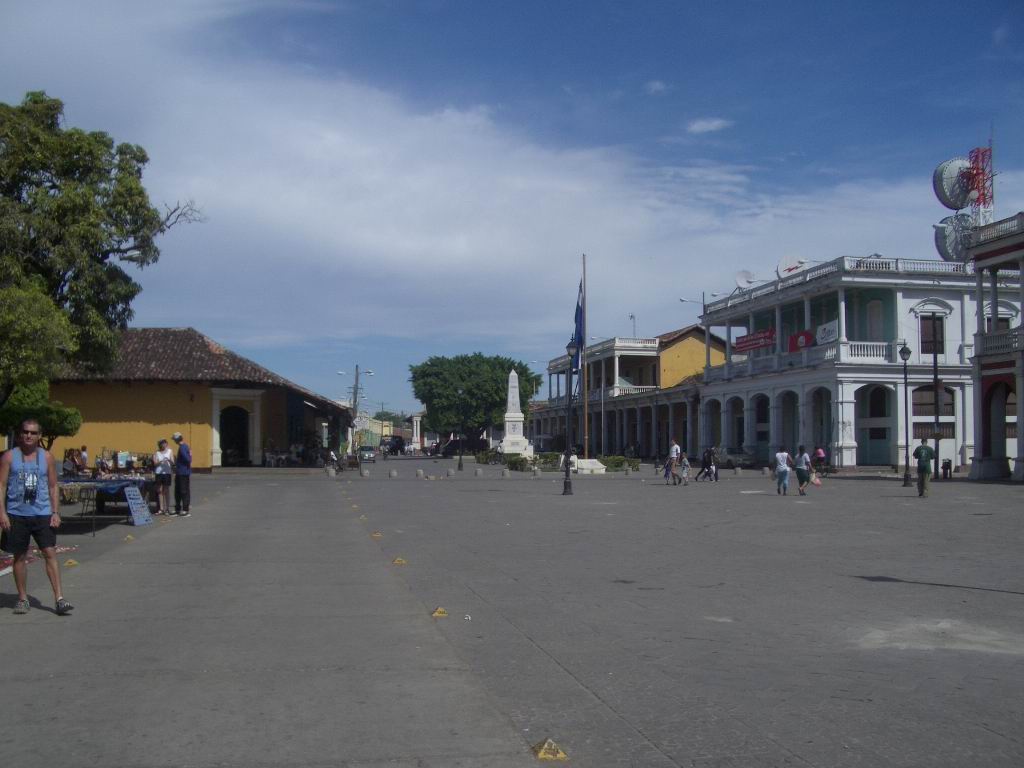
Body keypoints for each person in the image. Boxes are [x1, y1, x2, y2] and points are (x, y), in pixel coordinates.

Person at [0, 418, 73, 616]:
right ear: (20, 433)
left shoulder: (47, 457)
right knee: (19, 556)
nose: (28, 436)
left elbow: (52, 485)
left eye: (33, 432)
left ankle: (59, 598)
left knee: (50, 553)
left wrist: (55, 512)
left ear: (39, 435)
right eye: (25, 432)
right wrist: (2, 512)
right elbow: (2, 485)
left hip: (42, 514)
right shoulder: (9, 457)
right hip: (17, 514)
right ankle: (23, 598)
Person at [172, 431, 192, 516]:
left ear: (177, 439)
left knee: (183, 491)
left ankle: (185, 509)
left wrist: (177, 463)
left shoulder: (182, 447)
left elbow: (188, 459)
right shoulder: (185, 446)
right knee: (179, 491)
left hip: (182, 472)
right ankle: (178, 509)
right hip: (182, 472)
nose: (174, 441)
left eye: (174, 439)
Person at [152, 439, 174, 515]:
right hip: (159, 473)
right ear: (160, 445)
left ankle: (167, 508)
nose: (164, 445)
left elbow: (172, 462)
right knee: (160, 490)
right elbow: (155, 463)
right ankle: (161, 508)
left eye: (165, 444)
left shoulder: (170, 451)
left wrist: (169, 460)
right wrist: (160, 462)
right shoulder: (156, 452)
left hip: (167, 472)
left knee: (166, 490)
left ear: (167, 444)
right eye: (162, 444)